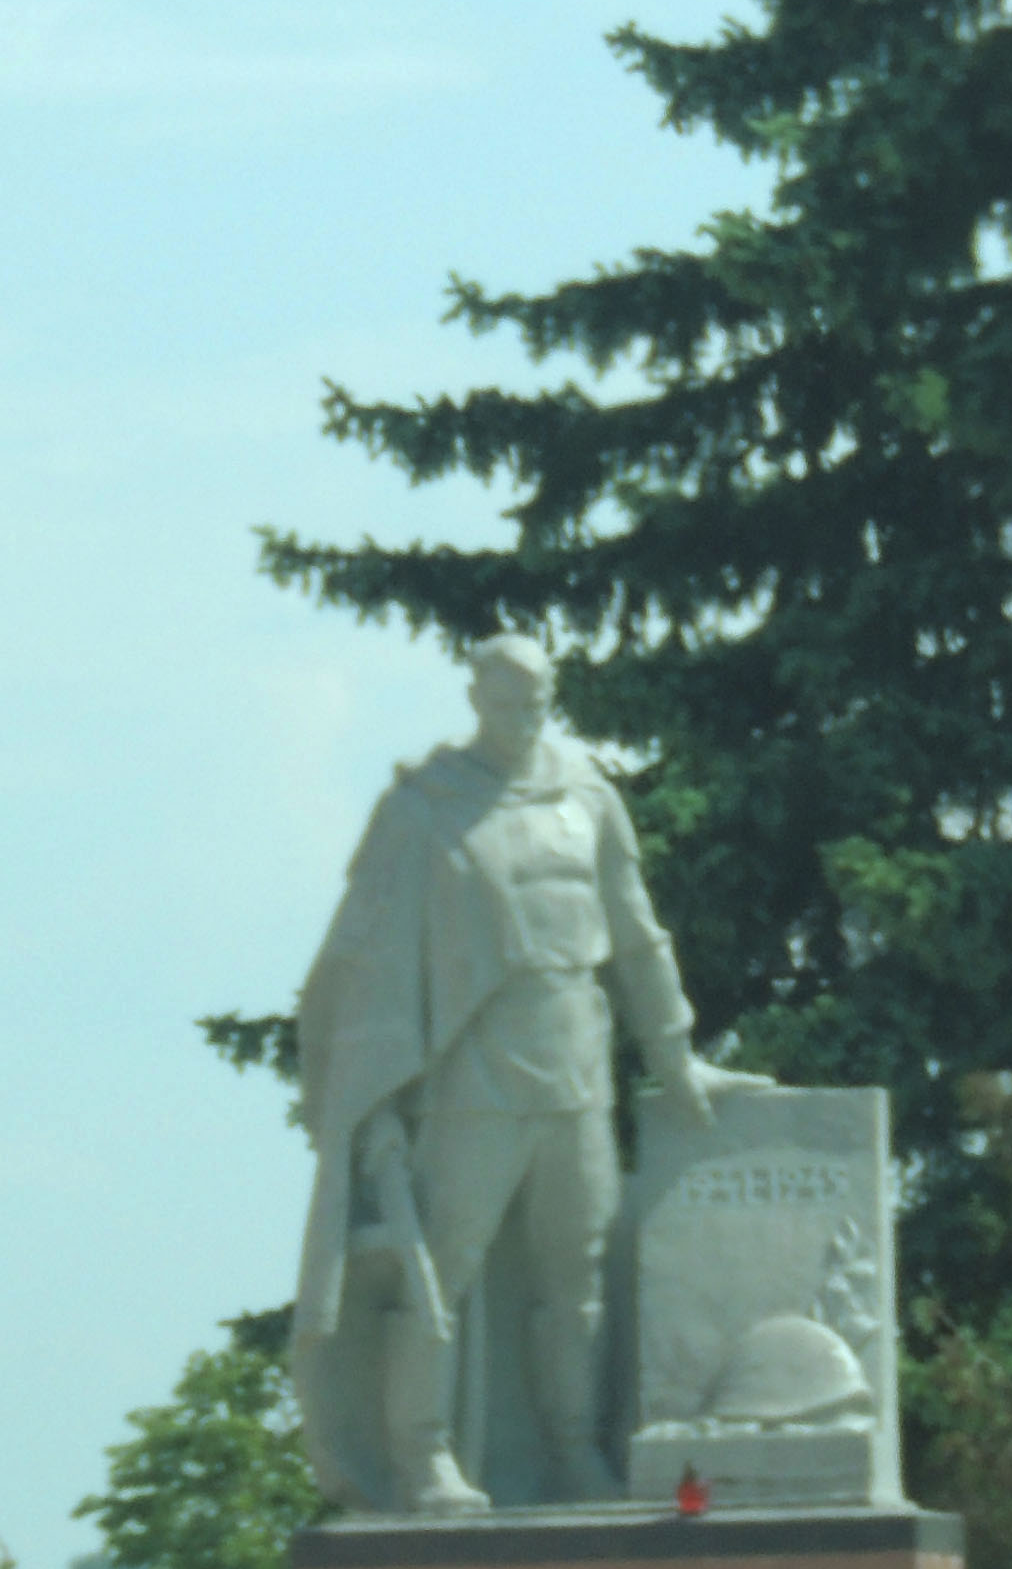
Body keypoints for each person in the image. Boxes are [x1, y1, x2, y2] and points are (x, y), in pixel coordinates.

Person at [288, 638, 716, 1511]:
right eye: (510, 699)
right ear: (477, 697)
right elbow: (367, 962)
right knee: (437, 1271)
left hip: (578, 1064)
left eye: (540, 699)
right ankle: (423, 1457)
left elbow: (636, 933)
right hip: (475, 1075)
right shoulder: (426, 810)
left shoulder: (588, 794)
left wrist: (673, 1053)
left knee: (578, 1275)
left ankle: (572, 1454)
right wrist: (370, 1106)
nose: (526, 716)